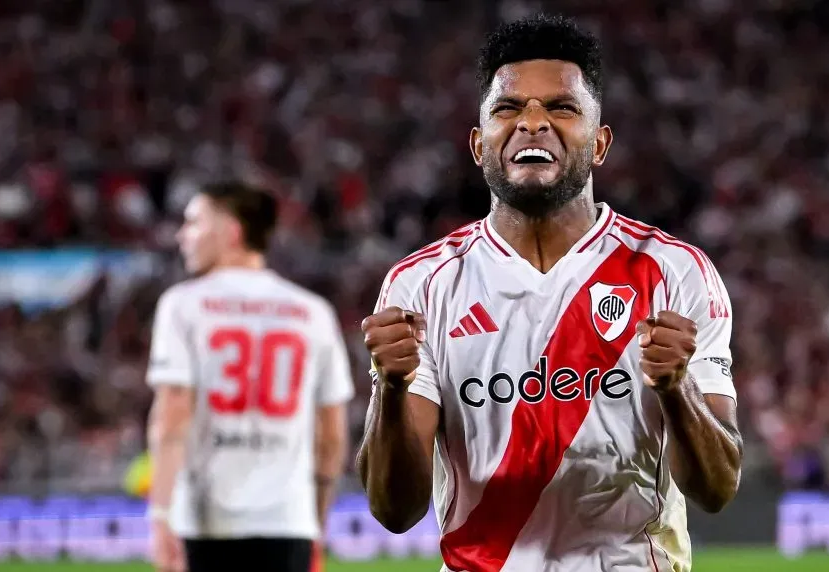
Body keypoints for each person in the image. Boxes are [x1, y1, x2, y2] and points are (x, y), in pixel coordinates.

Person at [357, 14, 743, 572]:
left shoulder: (673, 273)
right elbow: (393, 511)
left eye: (561, 107)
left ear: (601, 142)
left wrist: (676, 389)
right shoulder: (421, 285)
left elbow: (716, 491)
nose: (532, 123)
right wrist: (391, 390)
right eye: (508, 109)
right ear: (477, 143)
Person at [145, 181, 354, 572]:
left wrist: (160, 514)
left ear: (231, 232)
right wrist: (316, 523)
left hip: (208, 524)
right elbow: (332, 437)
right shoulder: (312, 313)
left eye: (193, 222)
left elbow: (172, 414)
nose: (181, 235)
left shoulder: (183, 305)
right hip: (288, 522)